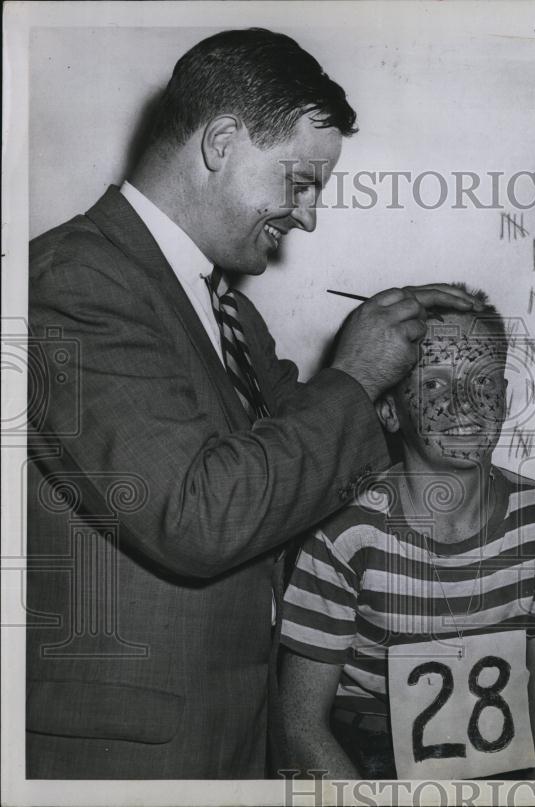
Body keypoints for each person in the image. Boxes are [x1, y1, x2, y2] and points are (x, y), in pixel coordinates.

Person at [26, 28, 478, 779]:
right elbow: (199, 515)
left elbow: (291, 483)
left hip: (222, 740)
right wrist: (357, 378)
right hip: (121, 765)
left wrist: (406, 386)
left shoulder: (225, 309)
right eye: (300, 181)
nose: (307, 216)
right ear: (222, 142)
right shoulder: (75, 281)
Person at [279, 287, 535, 779]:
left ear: (504, 399)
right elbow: (300, 725)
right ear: (389, 410)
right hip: (368, 762)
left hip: (503, 762)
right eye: (435, 386)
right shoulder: (347, 531)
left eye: (482, 382)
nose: (465, 404)